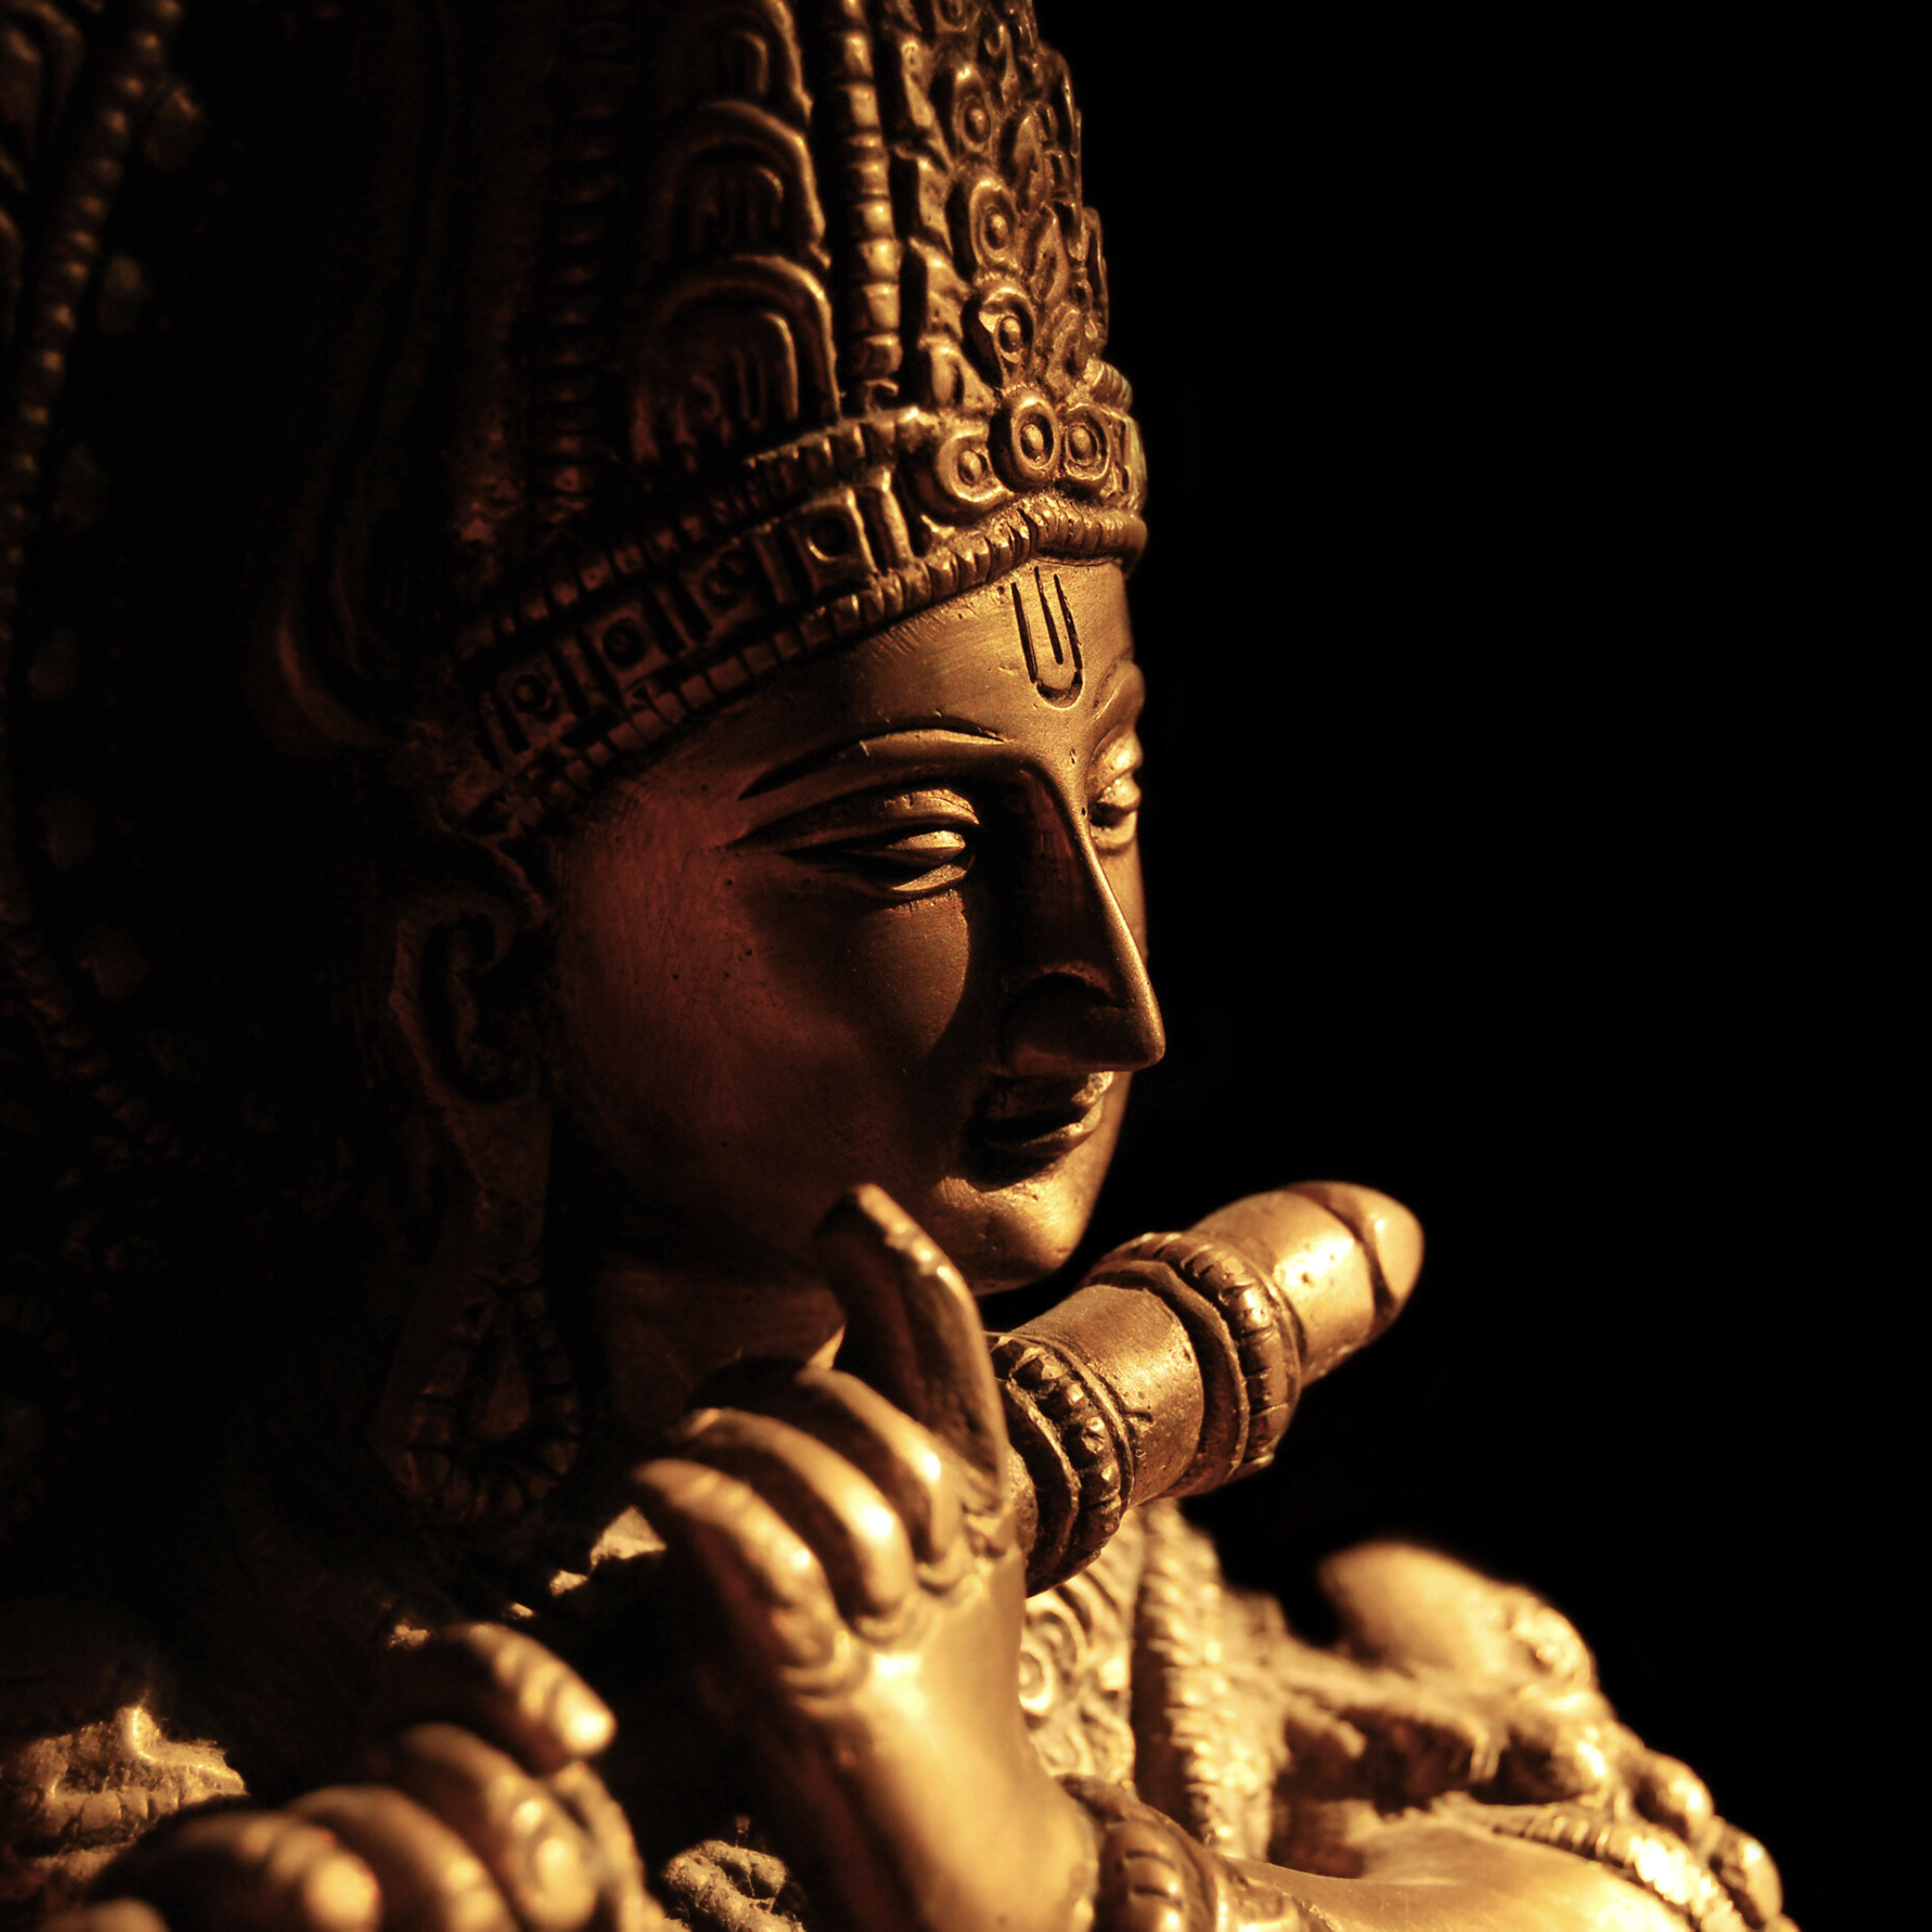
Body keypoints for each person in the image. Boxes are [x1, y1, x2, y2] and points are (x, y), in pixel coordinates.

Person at [0, 2, 1791, 1927]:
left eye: (1111, 806)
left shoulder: (1341, 1681)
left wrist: (1028, 1872)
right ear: (477, 989)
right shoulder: (132, 1716)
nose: (1104, 994)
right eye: (908, 850)